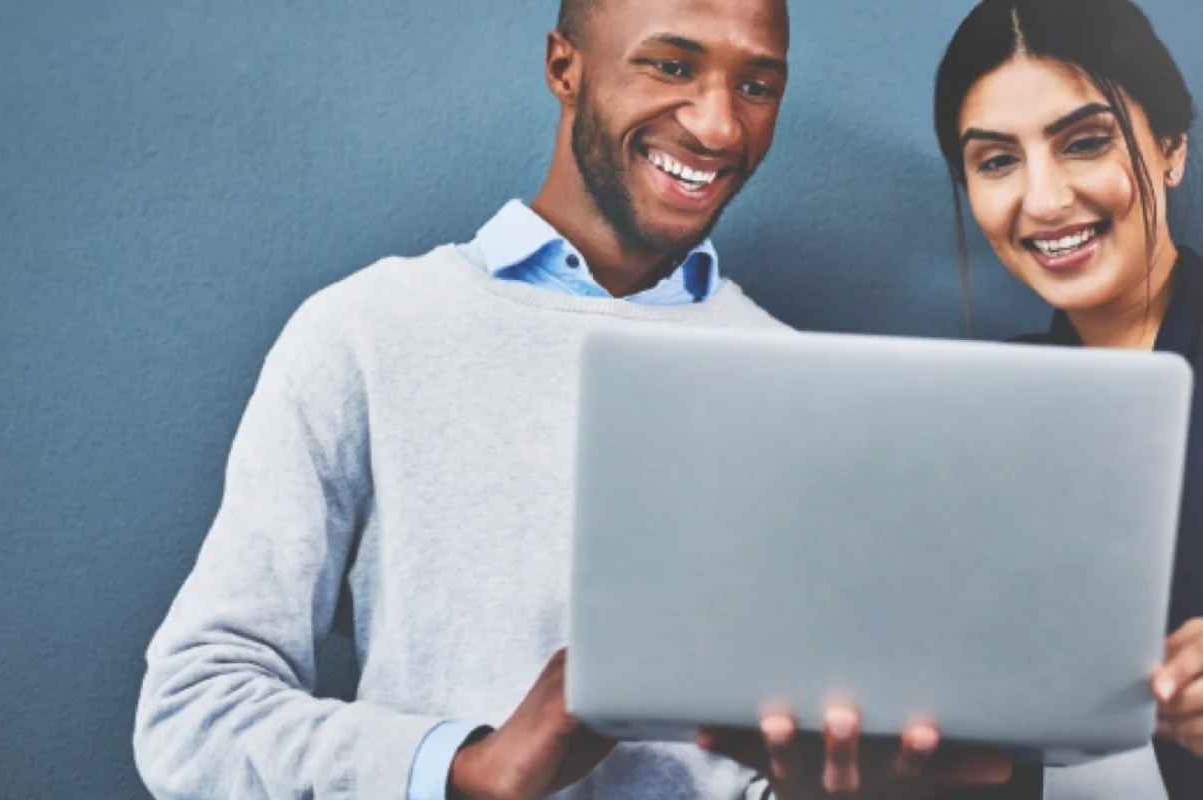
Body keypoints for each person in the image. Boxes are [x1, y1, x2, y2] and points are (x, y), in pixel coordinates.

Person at [132, 0, 1015, 798]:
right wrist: (465, 765)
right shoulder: (365, 330)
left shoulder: (800, 380)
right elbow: (193, 713)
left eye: (757, 84)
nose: (718, 126)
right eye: (670, 65)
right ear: (565, 67)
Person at [929, 0, 1203, 796]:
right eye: (996, 160)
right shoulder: (971, 419)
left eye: (1085, 143)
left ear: (1171, 148)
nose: (1044, 201)